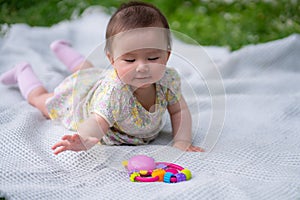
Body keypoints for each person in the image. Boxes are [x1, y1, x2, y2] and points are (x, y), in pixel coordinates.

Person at [0, 1, 204, 154]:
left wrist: (182, 142)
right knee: (44, 101)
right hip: (80, 100)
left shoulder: (168, 80)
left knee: (89, 73)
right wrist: (84, 139)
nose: (142, 67)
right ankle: (22, 71)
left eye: (152, 57)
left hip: (98, 80)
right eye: (130, 60)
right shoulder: (114, 94)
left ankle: (63, 50)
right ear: (112, 59)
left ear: (167, 56)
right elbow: (97, 123)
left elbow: (179, 110)